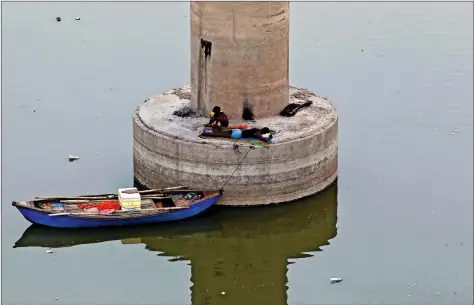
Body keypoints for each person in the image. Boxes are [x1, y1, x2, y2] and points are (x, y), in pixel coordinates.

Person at [201, 127, 273, 143]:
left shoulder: (257, 129)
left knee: (222, 131)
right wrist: (268, 137)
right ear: (263, 132)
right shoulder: (257, 133)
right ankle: (204, 133)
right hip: (238, 135)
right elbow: (264, 139)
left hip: (237, 130)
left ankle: (206, 130)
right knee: (219, 135)